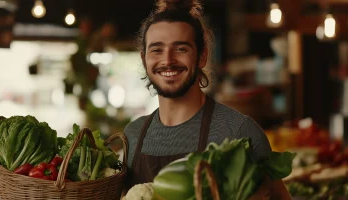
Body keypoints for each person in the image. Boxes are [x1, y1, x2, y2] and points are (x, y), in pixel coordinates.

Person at [123, 0, 292, 198]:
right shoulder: (133, 136)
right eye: (156, 50)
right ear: (144, 59)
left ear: (202, 56)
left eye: (181, 49)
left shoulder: (239, 132)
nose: (167, 60)